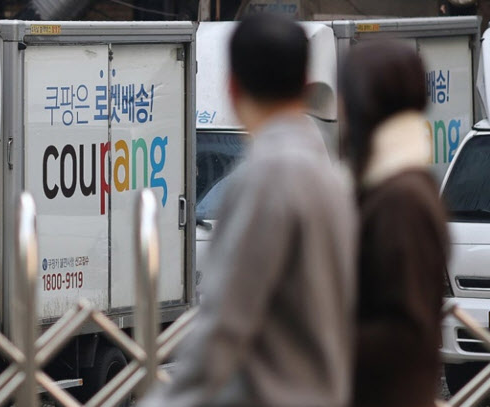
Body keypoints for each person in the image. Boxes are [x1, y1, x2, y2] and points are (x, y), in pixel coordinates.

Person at [139, 13, 356, 407]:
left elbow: (225, 324)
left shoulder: (264, 178)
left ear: (233, 86)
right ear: (305, 85)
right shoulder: (333, 179)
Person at [340, 41, 450, 407]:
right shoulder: (398, 183)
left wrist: (320, 333)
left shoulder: (401, 198)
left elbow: (406, 331)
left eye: (345, 96)